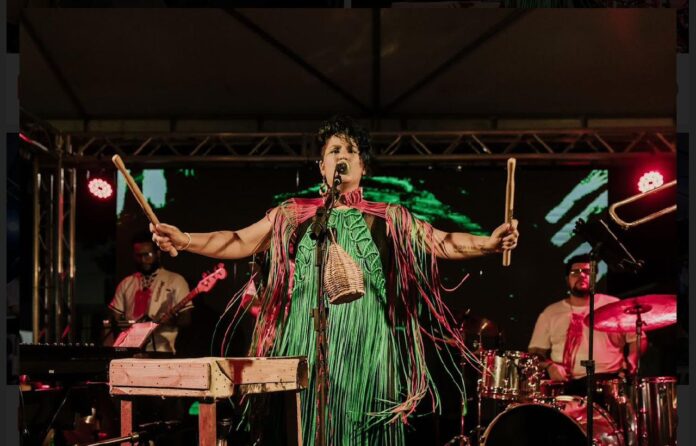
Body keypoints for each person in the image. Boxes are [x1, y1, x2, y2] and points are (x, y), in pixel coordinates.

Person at [151, 116, 519, 445]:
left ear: (363, 165)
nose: (342, 155)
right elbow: (238, 240)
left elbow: (441, 242)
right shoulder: (293, 214)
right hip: (305, 339)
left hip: (368, 345)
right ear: (322, 166)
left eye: (351, 150)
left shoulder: (389, 216)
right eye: (334, 150)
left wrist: (488, 243)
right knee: (302, 425)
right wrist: (184, 239)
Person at [528, 254, 647, 395]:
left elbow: (638, 339)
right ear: (567, 279)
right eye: (575, 272)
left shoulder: (613, 305)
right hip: (564, 386)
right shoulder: (551, 312)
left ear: (595, 277)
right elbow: (535, 352)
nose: (581, 275)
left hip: (608, 382)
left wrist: (632, 359)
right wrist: (549, 366)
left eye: (586, 271)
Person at [108, 232, 192, 353]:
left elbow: (186, 319)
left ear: (158, 253)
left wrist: (169, 321)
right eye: (138, 255)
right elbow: (113, 319)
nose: (143, 260)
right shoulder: (126, 283)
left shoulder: (176, 280)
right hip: (130, 351)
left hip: (162, 352)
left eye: (147, 254)